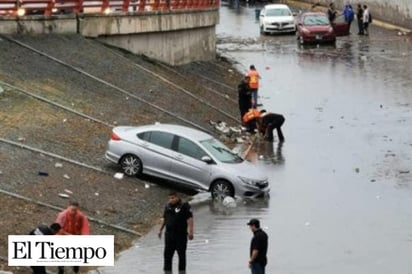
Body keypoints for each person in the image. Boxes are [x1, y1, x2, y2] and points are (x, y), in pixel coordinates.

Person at [159, 192, 194, 273]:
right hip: (169, 235)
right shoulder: (167, 206)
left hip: (180, 235)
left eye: (173, 198)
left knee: (181, 256)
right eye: (170, 198)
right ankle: (167, 271)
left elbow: (190, 219)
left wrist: (191, 231)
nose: (171, 200)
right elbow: (165, 219)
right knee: (167, 256)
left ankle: (182, 272)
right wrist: (160, 230)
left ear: (178, 197)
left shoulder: (184, 206)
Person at [55, 201, 90, 274]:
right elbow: (58, 229)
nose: (73, 212)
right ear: (68, 208)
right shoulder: (62, 215)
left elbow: (85, 228)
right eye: (72, 210)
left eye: (75, 210)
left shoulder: (80, 216)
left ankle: (76, 271)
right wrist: (68, 235)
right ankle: (61, 271)